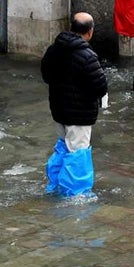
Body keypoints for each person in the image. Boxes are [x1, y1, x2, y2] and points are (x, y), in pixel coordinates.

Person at [41, 12, 108, 196]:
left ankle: (54, 185)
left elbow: (46, 75)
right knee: (78, 153)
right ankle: (75, 195)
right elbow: (100, 86)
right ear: (90, 32)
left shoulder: (53, 49)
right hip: (79, 115)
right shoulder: (88, 56)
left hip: (58, 110)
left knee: (63, 147)